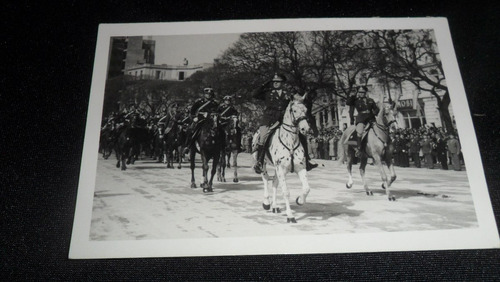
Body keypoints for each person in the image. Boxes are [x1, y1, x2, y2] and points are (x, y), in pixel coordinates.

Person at [252, 73, 317, 174]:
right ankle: (259, 161)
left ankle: (307, 160)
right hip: (269, 119)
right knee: (263, 136)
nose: (276, 83)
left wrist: (300, 91)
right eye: (274, 82)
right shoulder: (267, 92)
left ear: (282, 83)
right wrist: (265, 84)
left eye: (278, 82)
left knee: (301, 135)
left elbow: (299, 100)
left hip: (283, 120)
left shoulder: (288, 93)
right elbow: (254, 95)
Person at [346, 86, 380, 157]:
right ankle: (358, 149)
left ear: (365, 93)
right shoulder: (356, 100)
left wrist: (374, 112)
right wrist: (354, 94)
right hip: (361, 119)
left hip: (371, 119)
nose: (362, 94)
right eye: (360, 92)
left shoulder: (370, 100)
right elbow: (348, 102)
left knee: (379, 129)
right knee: (360, 132)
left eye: (363, 92)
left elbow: (376, 109)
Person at [183, 87, 220, 152]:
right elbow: (192, 110)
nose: (208, 95)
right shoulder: (199, 102)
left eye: (210, 94)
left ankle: (221, 146)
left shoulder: (215, 103)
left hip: (211, 120)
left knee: (220, 130)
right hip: (200, 119)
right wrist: (194, 117)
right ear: (204, 94)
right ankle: (188, 146)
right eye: (207, 94)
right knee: (193, 130)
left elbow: (218, 111)